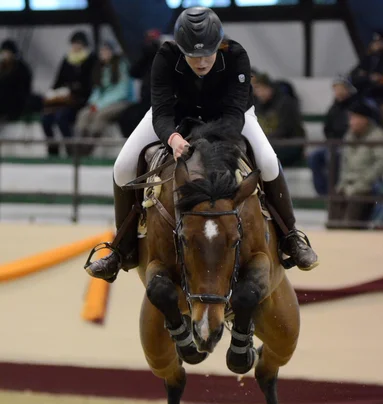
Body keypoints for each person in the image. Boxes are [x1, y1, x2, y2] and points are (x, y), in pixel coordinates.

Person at [85, 7, 318, 283]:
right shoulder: (165, 57)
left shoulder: (236, 56)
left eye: (207, 53)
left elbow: (234, 114)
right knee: (123, 167)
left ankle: (291, 237)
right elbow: (160, 111)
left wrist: (213, 141)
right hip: (175, 117)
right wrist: (172, 138)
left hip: (230, 117)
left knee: (266, 161)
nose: (201, 61)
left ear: (219, 44)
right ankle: (121, 249)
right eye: (193, 55)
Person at [329, 97, 383, 228]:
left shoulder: (378, 136)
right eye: (350, 117)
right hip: (347, 183)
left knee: (350, 219)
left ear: (365, 119)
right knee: (333, 216)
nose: (351, 122)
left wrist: (364, 181)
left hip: (366, 186)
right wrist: (342, 184)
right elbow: (344, 164)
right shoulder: (349, 135)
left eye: (354, 118)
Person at [41, 30, 96, 156]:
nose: (76, 46)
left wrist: (75, 89)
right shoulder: (67, 60)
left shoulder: (91, 60)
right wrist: (54, 93)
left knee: (62, 118)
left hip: (79, 102)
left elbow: (89, 85)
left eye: (79, 43)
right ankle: (53, 151)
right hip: (62, 101)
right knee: (46, 119)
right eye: (74, 43)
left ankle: (71, 151)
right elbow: (58, 81)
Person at [74, 41, 134, 156]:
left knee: (100, 115)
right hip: (102, 102)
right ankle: (79, 147)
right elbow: (97, 90)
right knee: (83, 114)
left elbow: (121, 91)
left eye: (106, 51)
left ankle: (88, 149)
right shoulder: (100, 68)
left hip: (121, 101)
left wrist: (100, 105)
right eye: (102, 51)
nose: (104, 53)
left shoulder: (121, 66)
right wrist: (93, 104)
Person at [307, 75, 356, 195]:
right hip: (332, 143)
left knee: (332, 157)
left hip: (348, 144)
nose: (338, 92)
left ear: (348, 89)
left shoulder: (355, 106)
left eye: (341, 88)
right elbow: (327, 127)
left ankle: (334, 192)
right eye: (336, 89)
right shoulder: (333, 107)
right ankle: (322, 193)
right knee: (314, 156)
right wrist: (331, 140)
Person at [252, 73, 306, 167]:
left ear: (270, 88)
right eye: (257, 89)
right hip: (270, 144)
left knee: (263, 155)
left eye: (262, 89)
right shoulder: (257, 105)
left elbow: (285, 129)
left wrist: (262, 141)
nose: (259, 93)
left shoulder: (285, 102)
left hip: (290, 144)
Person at [118, 29, 162, 138]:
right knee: (126, 117)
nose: (150, 44)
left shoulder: (165, 59)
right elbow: (133, 72)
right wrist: (144, 55)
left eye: (153, 40)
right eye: (149, 40)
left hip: (159, 104)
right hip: (144, 102)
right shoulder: (145, 59)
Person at [349, 30, 383, 106]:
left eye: (381, 42)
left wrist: (366, 75)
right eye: (376, 42)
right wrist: (369, 77)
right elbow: (353, 77)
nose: (377, 44)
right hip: (364, 95)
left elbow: (382, 81)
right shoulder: (368, 58)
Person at [0, 39, 32, 123]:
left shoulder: (21, 68)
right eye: (3, 52)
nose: (4, 55)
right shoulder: (3, 67)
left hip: (15, 104)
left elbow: (22, 91)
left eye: (7, 52)